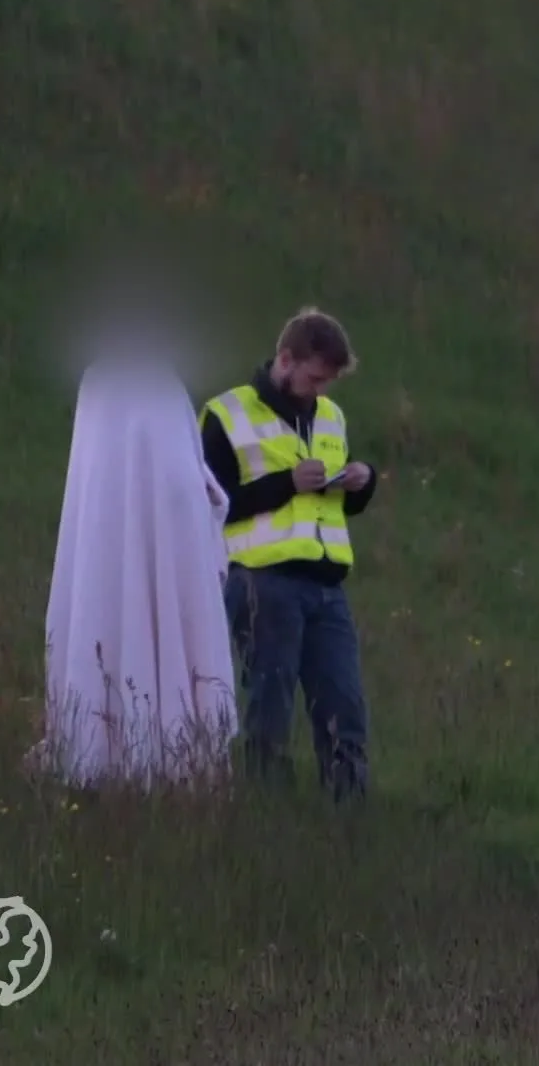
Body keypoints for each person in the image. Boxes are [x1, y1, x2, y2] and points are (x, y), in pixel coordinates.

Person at [35, 317, 239, 789]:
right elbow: (185, 478)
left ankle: (110, 756)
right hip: (163, 545)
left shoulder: (105, 388)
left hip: (128, 550)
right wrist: (206, 503)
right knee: (159, 626)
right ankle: (157, 757)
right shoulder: (156, 389)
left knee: (107, 620)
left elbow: (180, 473)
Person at [199, 306, 379, 800]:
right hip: (262, 582)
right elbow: (208, 503)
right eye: (314, 378)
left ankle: (347, 812)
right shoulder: (227, 414)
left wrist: (362, 482)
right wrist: (286, 484)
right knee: (270, 704)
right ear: (285, 359)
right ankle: (267, 806)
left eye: (328, 383)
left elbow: (334, 503)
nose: (320, 392)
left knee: (344, 703)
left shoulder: (330, 417)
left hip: (326, 585)